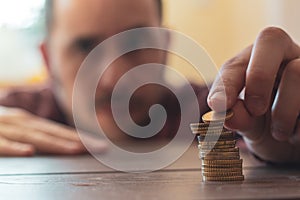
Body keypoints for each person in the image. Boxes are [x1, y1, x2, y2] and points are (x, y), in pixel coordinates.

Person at [0, 0, 299, 164]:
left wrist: (286, 138)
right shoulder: (15, 115)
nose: (114, 78)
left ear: (165, 46)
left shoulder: (223, 111)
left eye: (136, 43)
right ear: (48, 58)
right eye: (85, 47)